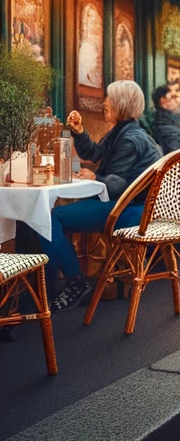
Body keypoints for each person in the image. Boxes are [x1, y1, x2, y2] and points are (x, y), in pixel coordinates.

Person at [33, 81, 161, 311]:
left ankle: (75, 281)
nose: (104, 103)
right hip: (125, 204)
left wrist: (96, 179)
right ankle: (61, 282)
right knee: (52, 216)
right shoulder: (123, 131)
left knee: (47, 219)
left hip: (129, 211)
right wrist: (80, 131)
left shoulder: (131, 138)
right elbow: (93, 154)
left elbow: (120, 183)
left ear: (121, 104)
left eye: (109, 98)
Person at [151, 84, 180, 153]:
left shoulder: (168, 118)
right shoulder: (164, 122)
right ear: (163, 100)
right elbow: (175, 151)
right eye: (172, 97)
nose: (177, 100)